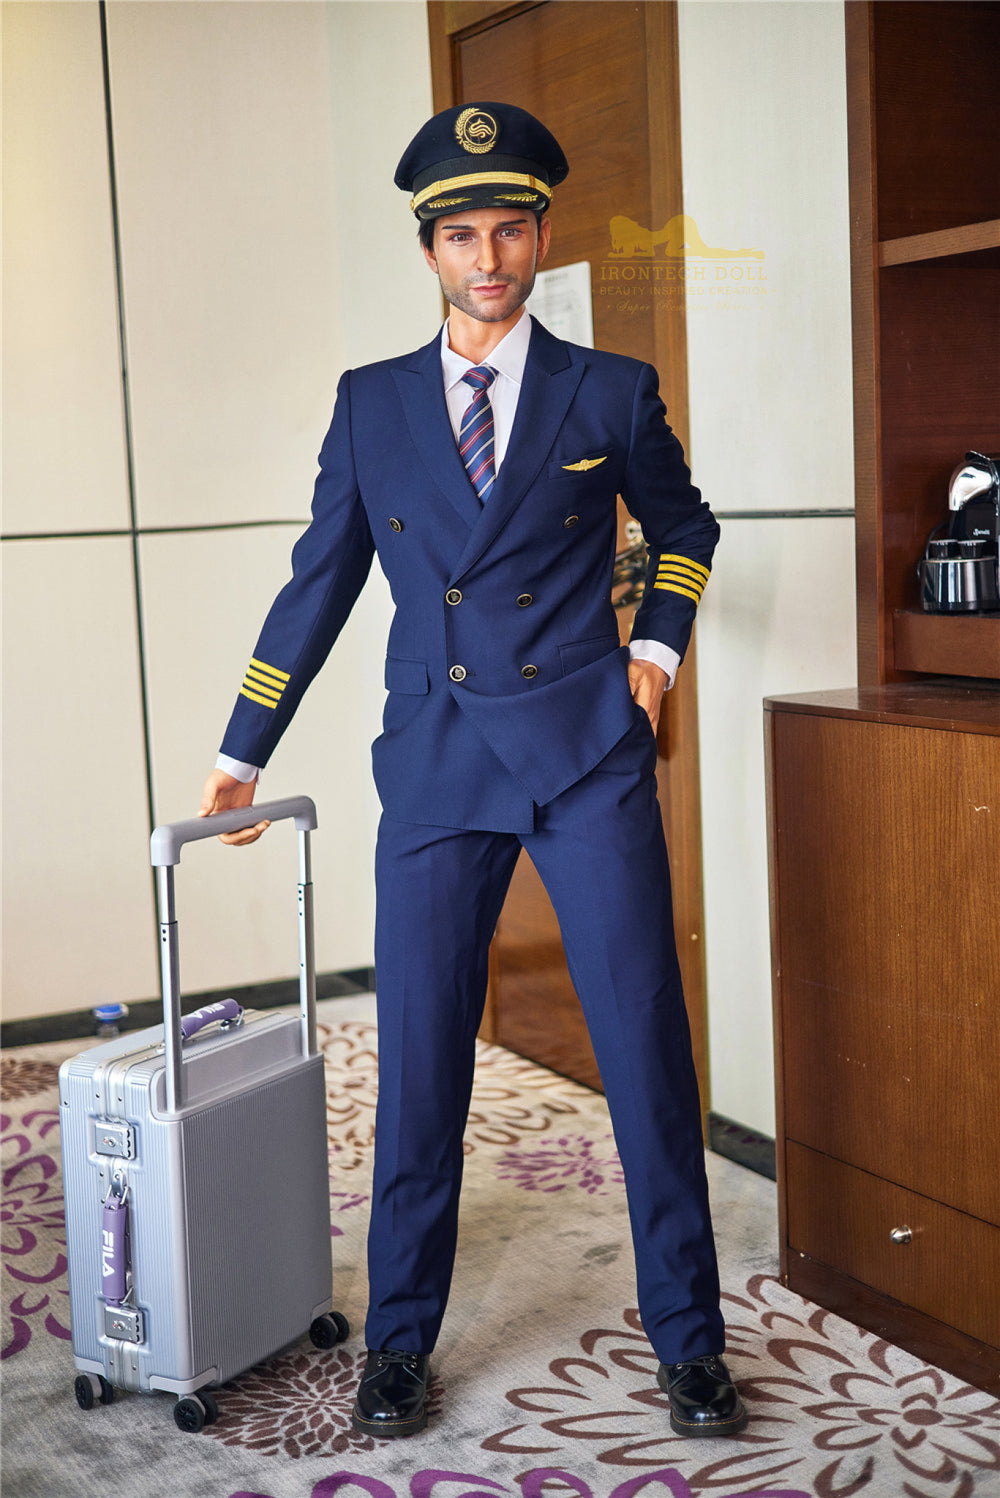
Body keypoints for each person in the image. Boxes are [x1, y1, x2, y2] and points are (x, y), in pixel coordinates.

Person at [200, 102, 746, 1442]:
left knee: (646, 1044)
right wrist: (241, 748)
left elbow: (685, 527)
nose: (487, 257)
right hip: (438, 762)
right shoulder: (370, 403)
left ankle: (689, 1337)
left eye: (509, 230)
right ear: (429, 249)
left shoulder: (608, 387)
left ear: (542, 237)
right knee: (422, 1057)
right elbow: (319, 582)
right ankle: (399, 1341)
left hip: (585, 755)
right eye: (462, 236)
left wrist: (656, 656)